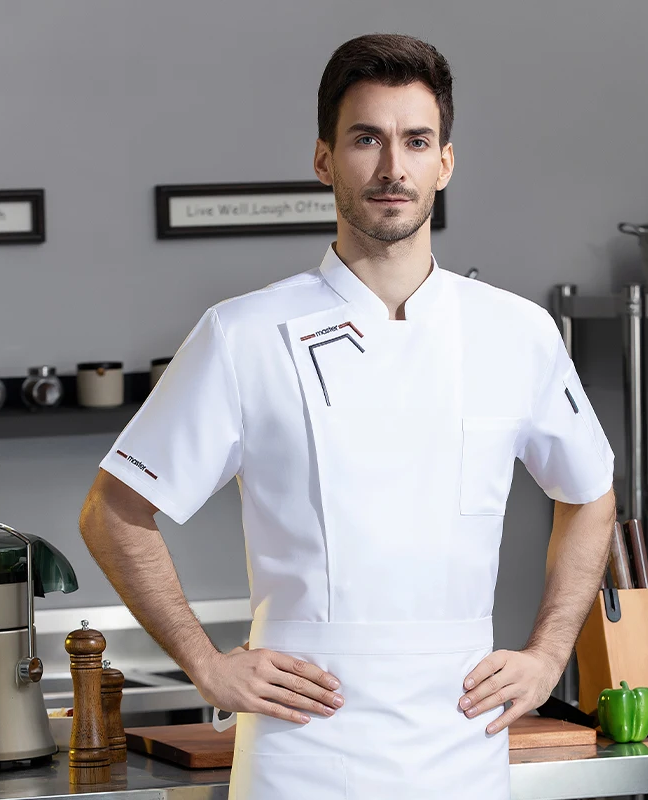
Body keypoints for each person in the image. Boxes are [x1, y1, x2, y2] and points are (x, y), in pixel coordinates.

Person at [80, 32, 615, 800]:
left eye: (416, 141)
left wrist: (547, 653)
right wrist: (207, 663)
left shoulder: (516, 332)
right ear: (325, 159)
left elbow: (590, 491)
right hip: (304, 753)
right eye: (366, 139)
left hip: (464, 743)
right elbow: (113, 511)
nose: (393, 167)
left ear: (445, 162)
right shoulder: (244, 334)